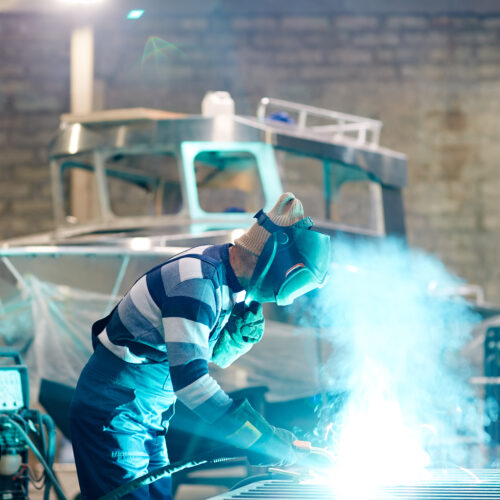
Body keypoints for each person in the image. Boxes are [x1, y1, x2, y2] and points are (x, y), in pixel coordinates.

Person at [69, 193, 330, 499]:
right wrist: (260, 437)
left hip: (149, 414)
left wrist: (232, 339)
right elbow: (191, 382)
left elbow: (203, 356)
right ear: (272, 259)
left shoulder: (228, 283)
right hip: (114, 412)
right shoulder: (197, 284)